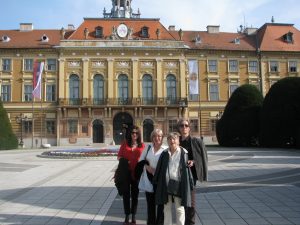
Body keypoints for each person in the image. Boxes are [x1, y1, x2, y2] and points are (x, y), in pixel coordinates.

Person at [153, 132, 193, 225]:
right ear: (167, 141)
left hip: (178, 185)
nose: (172, 141)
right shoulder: (164, 153)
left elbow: (189, 166)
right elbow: (160, 167)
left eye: (174, 139)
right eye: (170, 139)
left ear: (178, 141)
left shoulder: (183, 153)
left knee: (179, 208)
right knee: (167, 208)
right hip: (166, 184)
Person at [177, 119, 208, 225]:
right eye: (181, 125)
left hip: (191, 175)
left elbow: (202, 158)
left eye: (186, 125)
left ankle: (190, 222)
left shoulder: (195, 141)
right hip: (178, 175)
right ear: (179, 128)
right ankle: (182, 220)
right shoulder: (176, 141)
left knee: (191, 199)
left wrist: (193, 161)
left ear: (189, 128)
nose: (184, 127)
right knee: (180, 200)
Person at [117, 125, 145, 225]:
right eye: (133, 133)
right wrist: (126, 161)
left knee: (135, 195)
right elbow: (119, 157)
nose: (134, 134)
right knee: (126, 194)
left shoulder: (142, 145)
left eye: (136, 133)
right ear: (130, 134)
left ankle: (133, 215)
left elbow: (146, 158)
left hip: (136, 173)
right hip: (126, 173)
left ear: (139, 134)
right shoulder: (125, 144)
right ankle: (126, 215)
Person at [138, 128, 166, 225]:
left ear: (162, 138)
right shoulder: (148, 147)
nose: (157, 138)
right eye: (154, 136)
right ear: (152, 138)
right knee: (150, 206)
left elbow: (169, 165)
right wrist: (147, 166)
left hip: (161, 182)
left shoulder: (165, 149)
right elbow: (140, 161)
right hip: (149, 180)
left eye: (159, 136)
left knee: (161, 207)